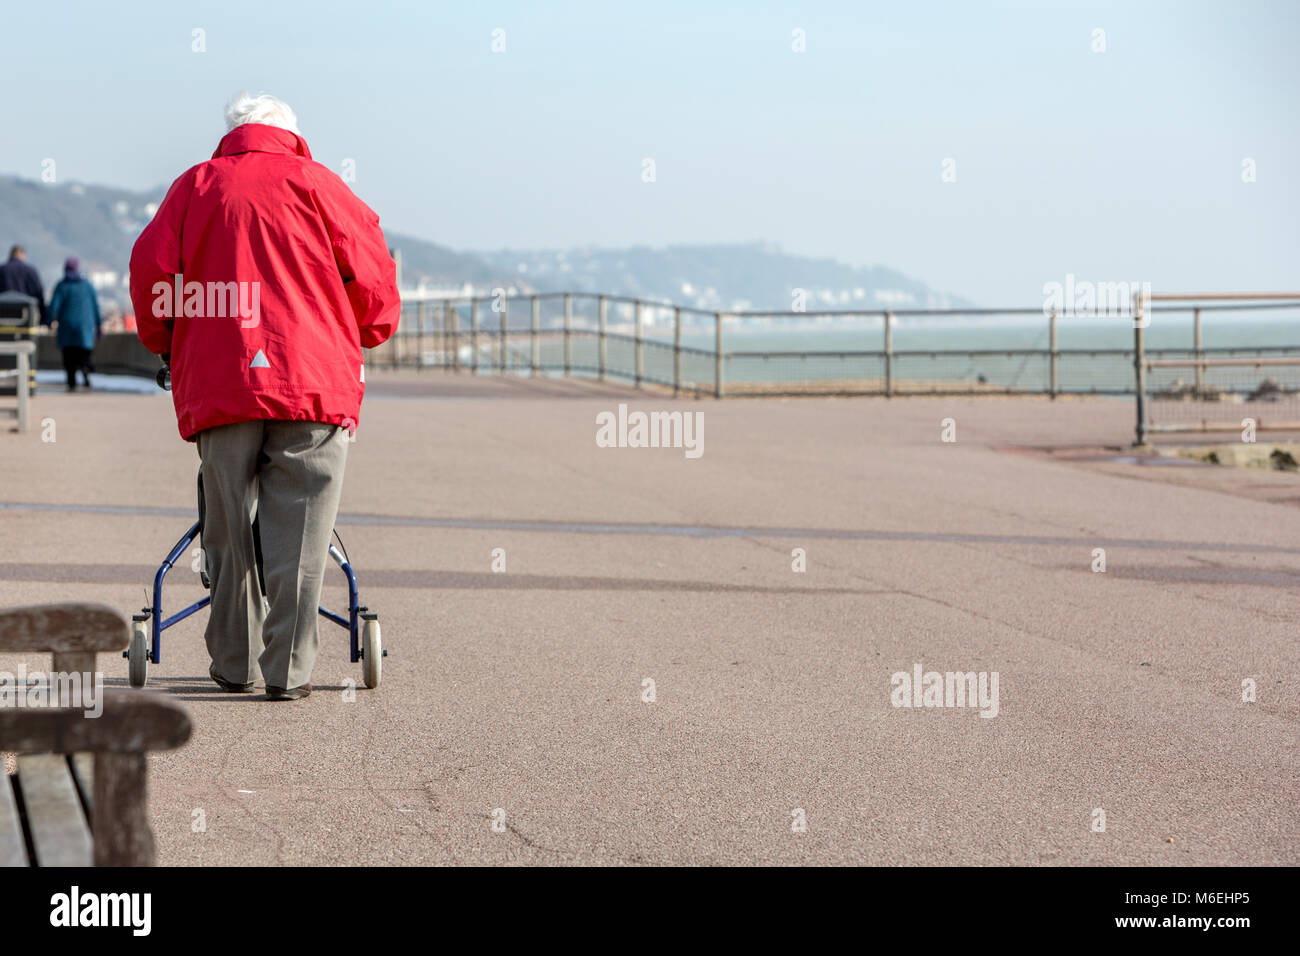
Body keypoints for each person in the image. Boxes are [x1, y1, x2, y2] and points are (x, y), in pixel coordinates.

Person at [129, 92, 399, 701]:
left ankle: (233, 660)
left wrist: (167, 341)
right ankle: (288, 672)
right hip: (311, 379)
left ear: (233, 133)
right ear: (291, 133)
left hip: (222, 381)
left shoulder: (195, 188)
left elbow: (152, 276)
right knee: (302, 531)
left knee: (225, 522)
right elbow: (374, 280)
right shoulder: (321, 185)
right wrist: (357, 331)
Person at [46, 257, 102, 391]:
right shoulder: (88, 286)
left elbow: (54, 306)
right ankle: (86, 375)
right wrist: (99, 325)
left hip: (67, 328)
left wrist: (49, 321)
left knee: (69, 358)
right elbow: (95, 307)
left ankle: (71, 383)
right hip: (85, 328)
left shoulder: (62, 286)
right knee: (84, 355)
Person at [0, 245, 48, 324]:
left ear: (10, 255)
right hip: (25, 317)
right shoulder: (30, 271)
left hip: (3, 317)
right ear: (23, 255)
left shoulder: (2, 270)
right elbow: (38, 293)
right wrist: (43, 317)